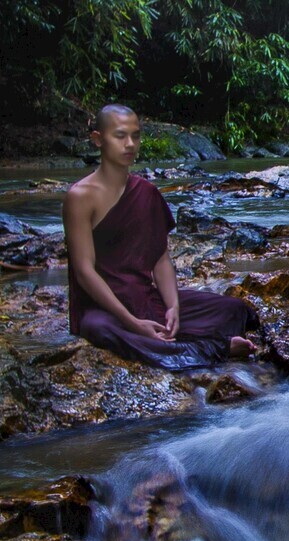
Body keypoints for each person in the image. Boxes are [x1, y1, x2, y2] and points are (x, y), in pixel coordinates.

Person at [63, 104, 259, 370]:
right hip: (102, 309)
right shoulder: (80, 197)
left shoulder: (146, 192)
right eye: (120, 136)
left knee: (234, 309)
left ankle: (171, 336)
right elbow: (84, 271)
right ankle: (216, 347)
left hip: (144, 298)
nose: (130, 144)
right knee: (102, 331)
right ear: (98, 139)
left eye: (136, 135)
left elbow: (161, 259)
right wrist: (133, 323)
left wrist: (172, 307)